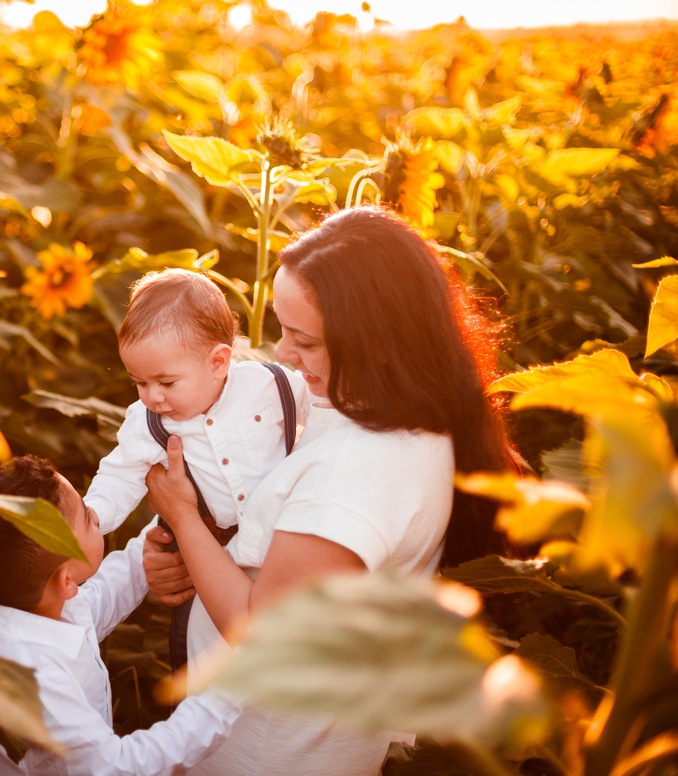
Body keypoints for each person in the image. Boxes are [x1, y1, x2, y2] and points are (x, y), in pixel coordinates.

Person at [143, 206, 517, 776]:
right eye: (282, 329)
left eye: (306, 342)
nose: (282, 355)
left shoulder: (358, 472)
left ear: (380, 343)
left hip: (266, 752)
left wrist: (184, 519)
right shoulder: (377, 406)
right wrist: (202, 553)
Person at [0, 454, 241, 776]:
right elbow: (118, 767)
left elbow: (99, 599)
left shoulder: (14, 602)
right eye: (86, 518)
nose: (95, 517)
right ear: (66, 580)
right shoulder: (39, 682)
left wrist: (167, 532)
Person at [82, 269, 312, 666]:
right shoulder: (147, 423)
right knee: (200, 655)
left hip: (286, 548)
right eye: (139, 382)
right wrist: (92, 516)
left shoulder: (270, 386)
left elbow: (321, 410)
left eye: (166, 383)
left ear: (219, 362)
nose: (152, 396)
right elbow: (119, 476)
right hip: (214, 558)